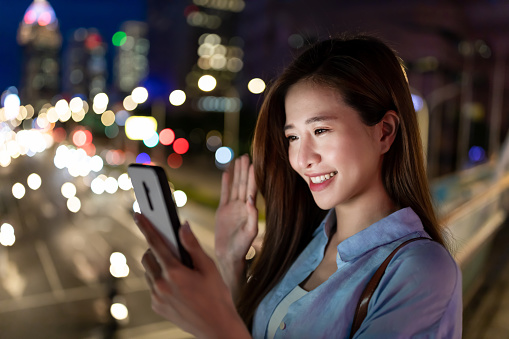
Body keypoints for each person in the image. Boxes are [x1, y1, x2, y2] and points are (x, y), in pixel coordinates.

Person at [133, 34, 463, 338]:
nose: (302, 159)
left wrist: (214, 325)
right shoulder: (306, 241)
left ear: (385, 132)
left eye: (320, 131)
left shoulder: (421, 271)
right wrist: (231, 260)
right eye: (292, 137)